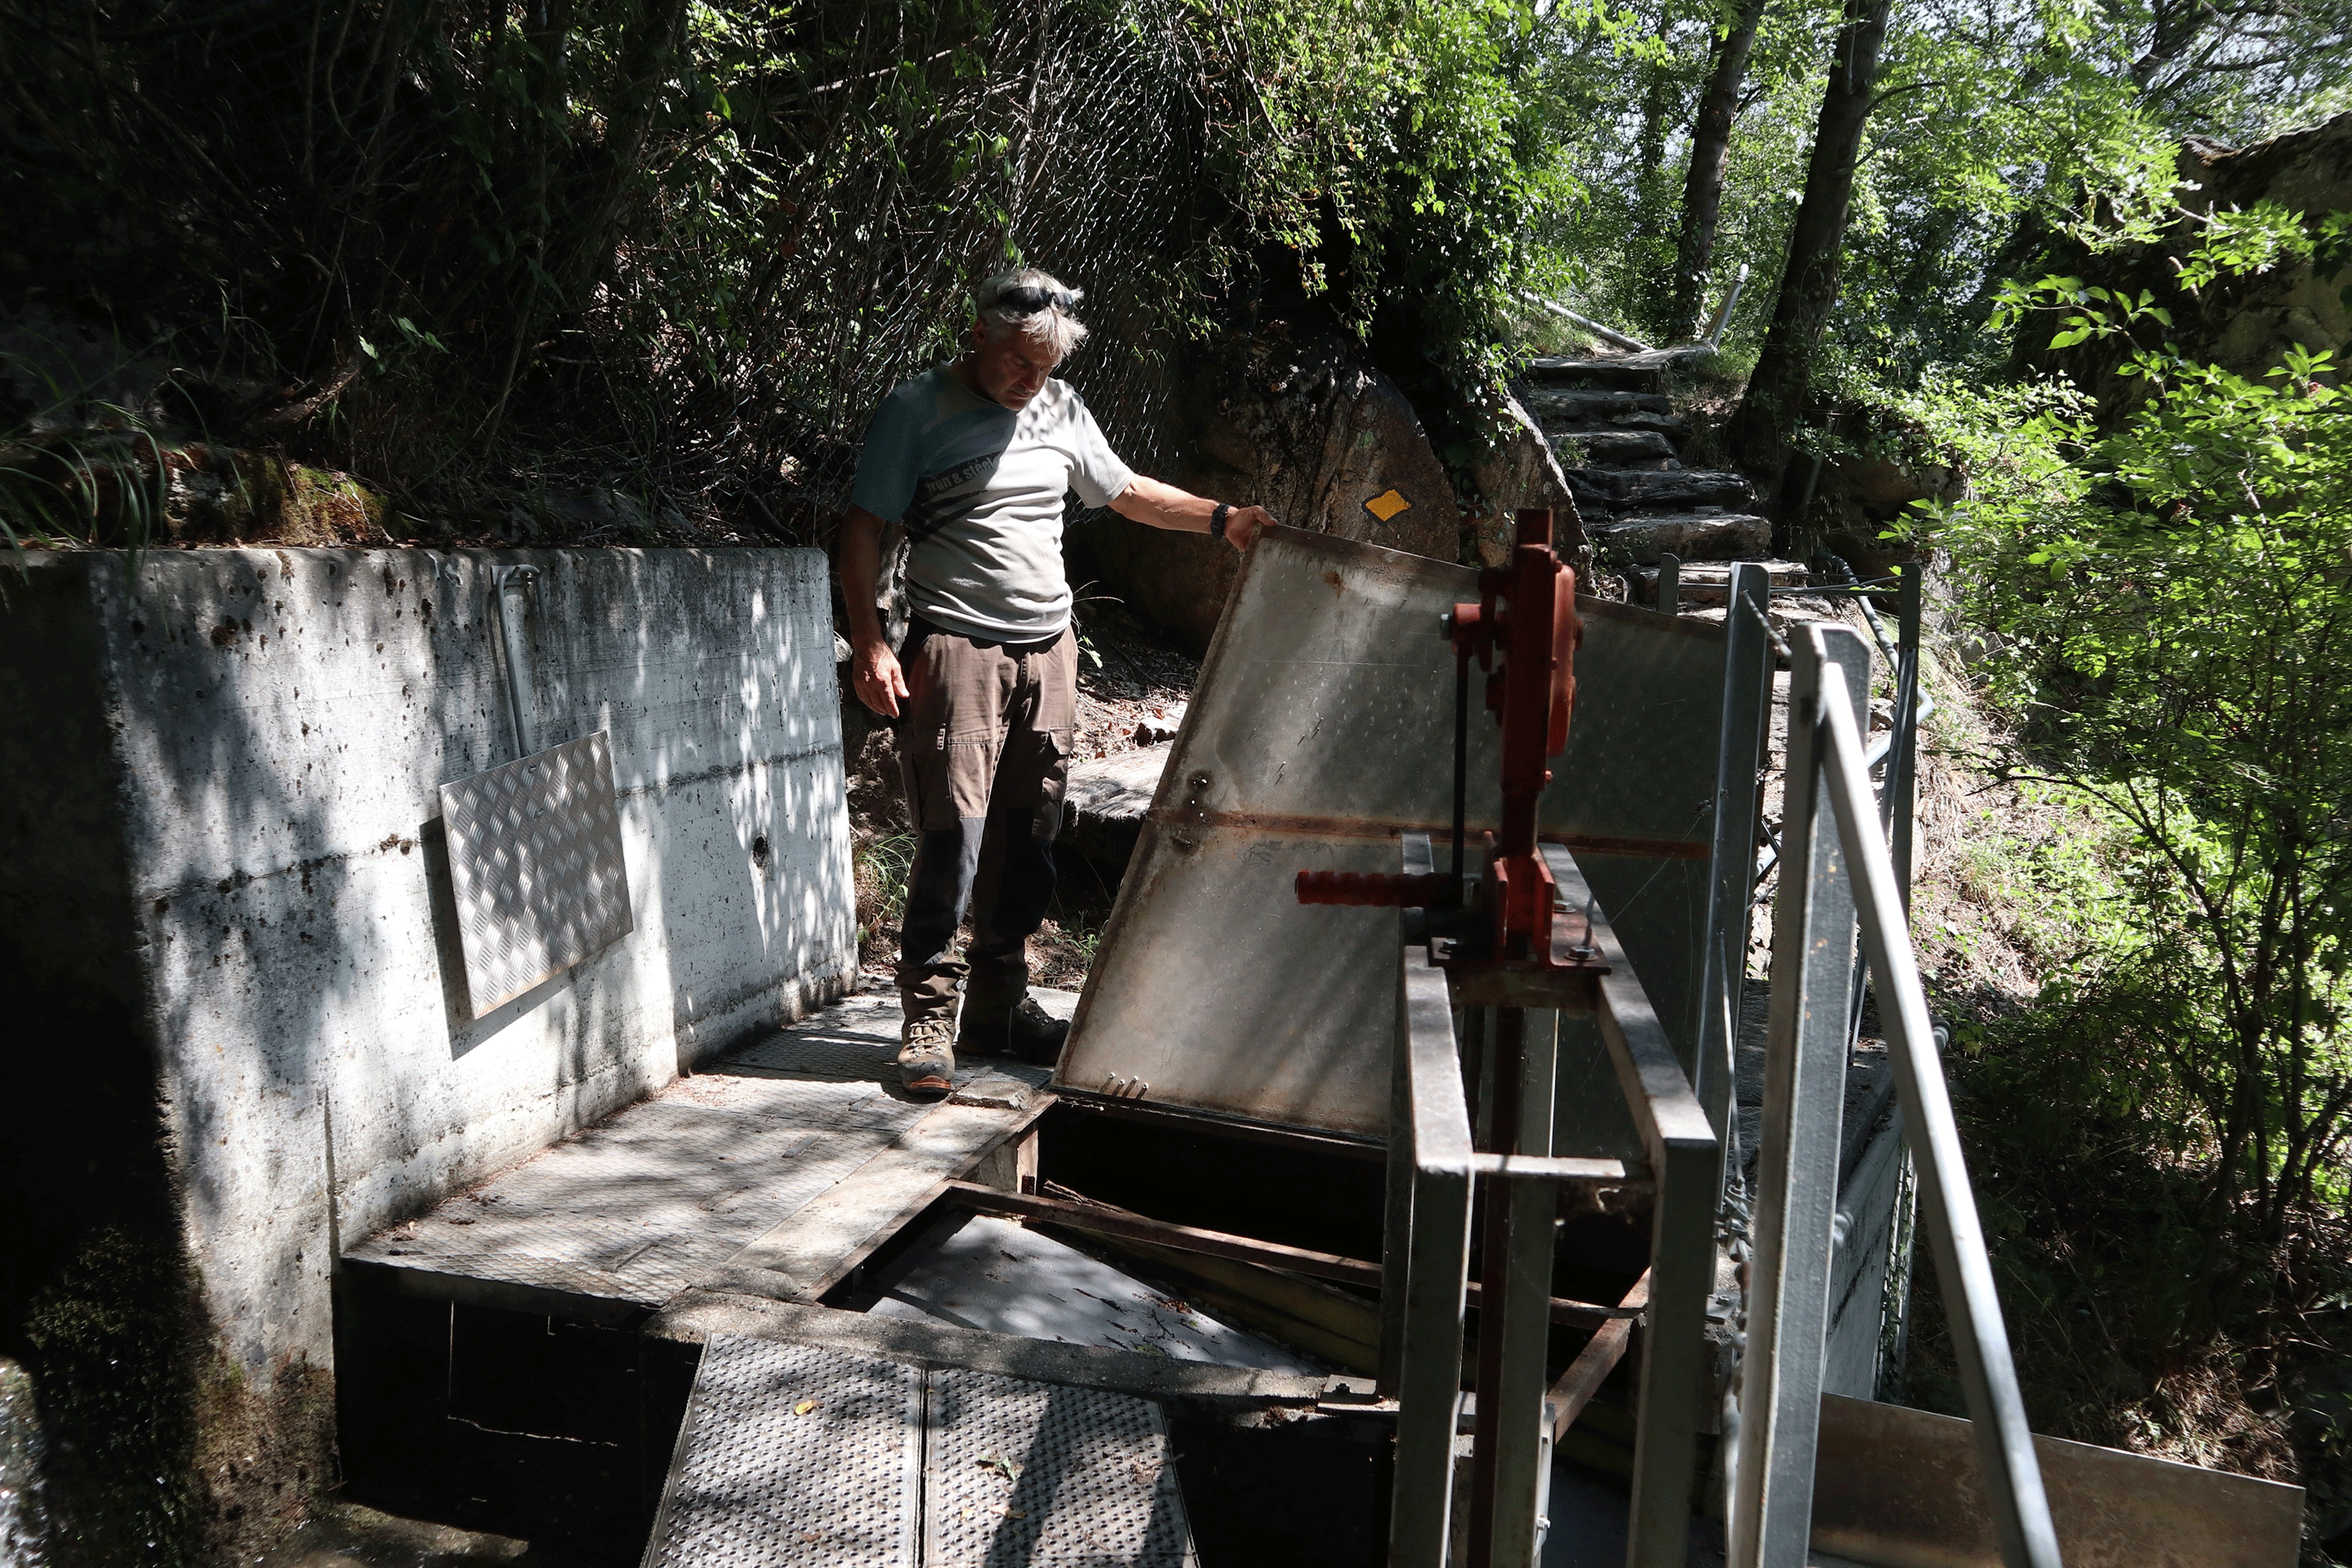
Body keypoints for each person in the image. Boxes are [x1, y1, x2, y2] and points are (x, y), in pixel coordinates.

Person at [839, 269, 1275, 1096]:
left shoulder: (1059, 408)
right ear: (978, 336)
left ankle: (1001, 1001)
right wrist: (870, 641)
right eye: (1016, 361)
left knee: (1031, 831)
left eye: (1043, 367)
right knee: (953, 834)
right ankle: (927, 1013)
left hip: (1051, 647)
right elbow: (862, 530)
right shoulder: (915, 410)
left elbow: (1127, 493)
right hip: (958, 644)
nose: (1028, 381)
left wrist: (1223, 520)